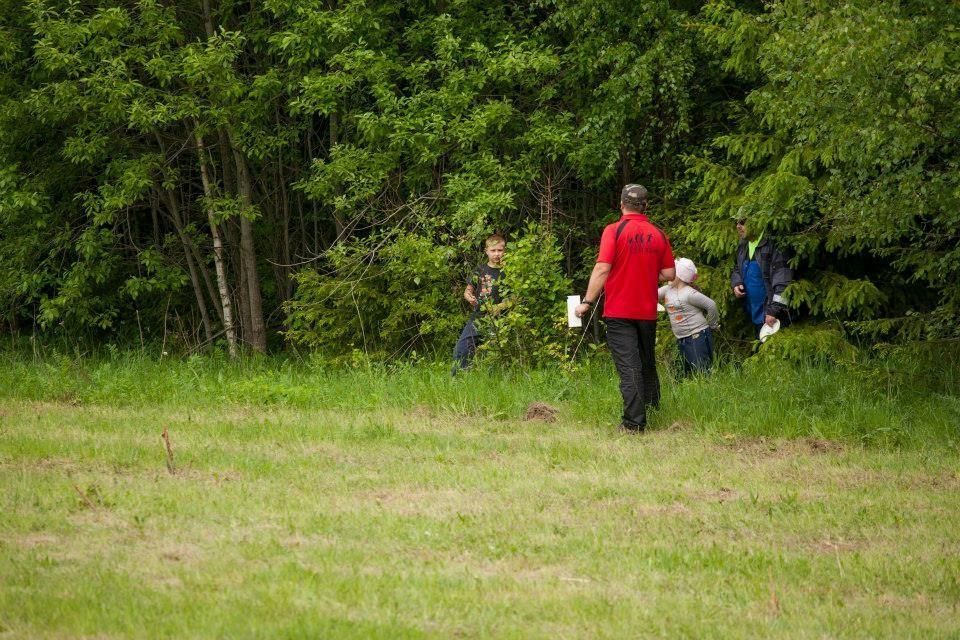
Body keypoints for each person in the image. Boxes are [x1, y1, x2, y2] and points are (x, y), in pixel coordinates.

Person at [575, 184, 675, 432]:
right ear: (646, 206)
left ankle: (633, 424)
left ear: (621, 205)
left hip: (619, 311)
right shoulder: (658, 234)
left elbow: (602, 268)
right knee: (646, 362)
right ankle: (652, 408)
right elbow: (669, 273)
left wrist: (587, 302)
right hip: (647, 312)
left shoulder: (614, 230)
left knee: (629, 367)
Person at [452, 233, 506, 373]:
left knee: (495, 356)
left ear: (504, 251)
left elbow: (515, 298)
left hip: (501, 320)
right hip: (478, 317)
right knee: (462, 349)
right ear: (486, 251)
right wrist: (469, 297)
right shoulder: (480, 270)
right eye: (493, 250)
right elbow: (467, 291)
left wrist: (500, 307)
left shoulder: (508, 271)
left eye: (499, 250)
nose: (496, 254)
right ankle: (458, 381)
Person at [730, 218, 793, 337]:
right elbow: (736, 268)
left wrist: (774, 311)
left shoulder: (773, 245)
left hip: (771, 316)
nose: (738, 226)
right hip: (753, 311)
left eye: (742, 222)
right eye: (736, 223)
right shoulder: (744, 243)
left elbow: (783, 281)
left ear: (756, 222)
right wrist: (737, 282)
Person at [658, 258, 719, 375]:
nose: (668, 275)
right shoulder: (667, 290)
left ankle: (707, 389)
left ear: (680, 275)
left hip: (698, 335)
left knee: (701, 371)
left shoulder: (690, 293)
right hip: (681, 338)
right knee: (687, 372)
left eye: (672, 272)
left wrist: (712, 324)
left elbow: (711, 305)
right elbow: (651, 295)